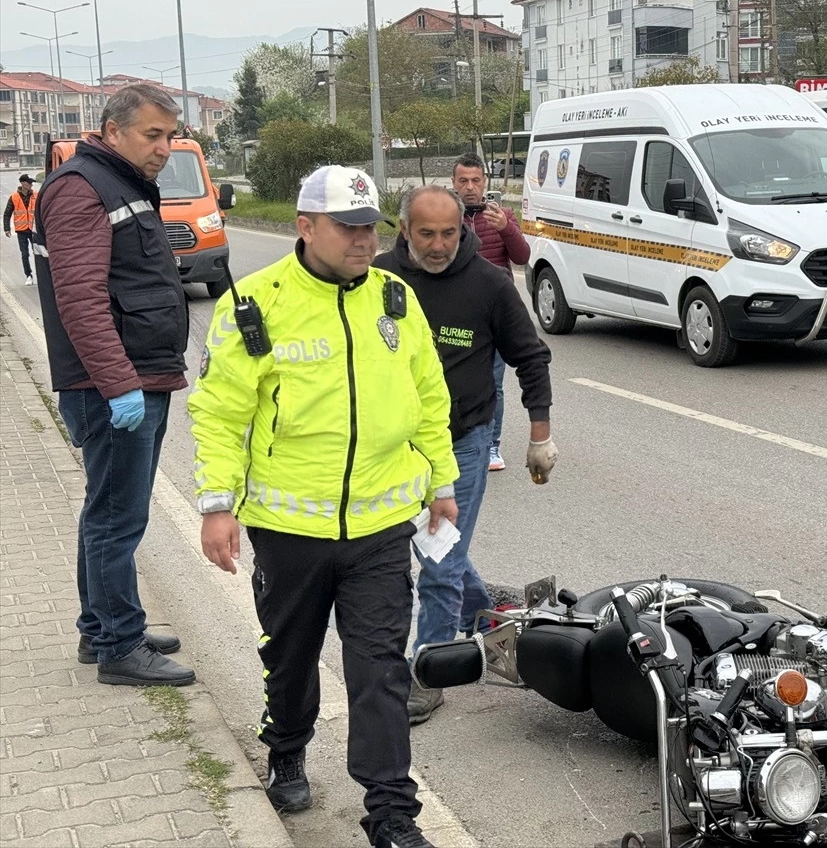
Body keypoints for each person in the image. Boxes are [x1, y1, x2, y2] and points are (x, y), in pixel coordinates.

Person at [189, 165, 457, 848]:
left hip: (377, 531)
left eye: (372, 227)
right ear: (306, 227)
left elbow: (429, 400)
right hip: (289, 531)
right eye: (349, 227)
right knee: (291, 658)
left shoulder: (396, 300)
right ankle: (286, 747)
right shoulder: (255, 305)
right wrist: (217, 505)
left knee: (379, 670)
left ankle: (392, 815)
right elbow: (220, 414)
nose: (365, 240)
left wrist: (443, 486)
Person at [32, 83, 195, 687]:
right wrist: (118, 383)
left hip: (135, 376)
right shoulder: (81, 189)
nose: (164, 148)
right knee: (117, 519)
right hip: (112, 385)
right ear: (111, 129)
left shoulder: (118, 183)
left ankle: (100, 627)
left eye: (170, 135)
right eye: (152, 135)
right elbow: (80, 298)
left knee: (108, 511)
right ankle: (120, 647)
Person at [374, 185, 556, 725]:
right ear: (405, 230)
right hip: (393, 447)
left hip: (461, 445)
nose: (437, 245)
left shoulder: (489, 284)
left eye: (448, 233)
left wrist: (539, 435)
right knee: (440, 550)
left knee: (437, 558)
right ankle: (489, 614)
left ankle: (427, 673)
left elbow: (531, 355)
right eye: (425, 233)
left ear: (464, 229)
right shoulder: (381, 280)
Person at [449, 153, 532, 472]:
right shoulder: (446, 218)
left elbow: (523, 256)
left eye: (476, 180)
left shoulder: (502, 215)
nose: (470, 187)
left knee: (493, 382)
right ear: (453, 184)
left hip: (495, 314)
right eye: (463, 181)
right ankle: (455, 439)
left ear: (485, 182)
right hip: (456, 313)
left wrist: (507, 229)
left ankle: (491, 445)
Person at [4, 173, 38, 284]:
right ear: (23, 183)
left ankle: (40, 274)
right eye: (29, 183)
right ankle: (28, 275)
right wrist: (7, 228)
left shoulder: (36, 195)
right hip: (21, 230)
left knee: (38, 253)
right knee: (25, 254)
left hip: (34, 230)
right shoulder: (14, 197)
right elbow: (7, 214)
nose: (31, 185)